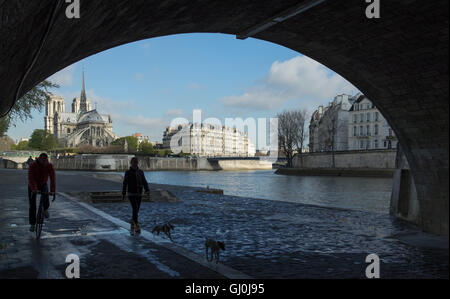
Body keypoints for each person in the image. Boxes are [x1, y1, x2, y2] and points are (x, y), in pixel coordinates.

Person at [28, 153, 56, 232]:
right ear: (39, 159)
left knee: (46, 195)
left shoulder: (49, 166)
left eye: (46, 161)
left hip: (43, 183)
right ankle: (32, 224)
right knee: (32, 205)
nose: (44, 162)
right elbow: (31, 178)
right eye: (43, 160)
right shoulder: (33, 165)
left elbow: (52, 178)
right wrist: (34, 189)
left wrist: (53, 191)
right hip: (33, 184)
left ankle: (45, 209)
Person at [122, 157, 150, 234]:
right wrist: (123, 193)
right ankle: (137, 224)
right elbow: (125, 183)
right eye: (134, 162)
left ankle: (132, 221)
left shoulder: (141, 172)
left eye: (136, 162)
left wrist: (147, 190)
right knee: (135, 208)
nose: (135, 163)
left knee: (137, 210)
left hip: (139, 193)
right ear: (131, 163)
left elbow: (144, 181)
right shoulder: (128, 172)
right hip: (131, 193)